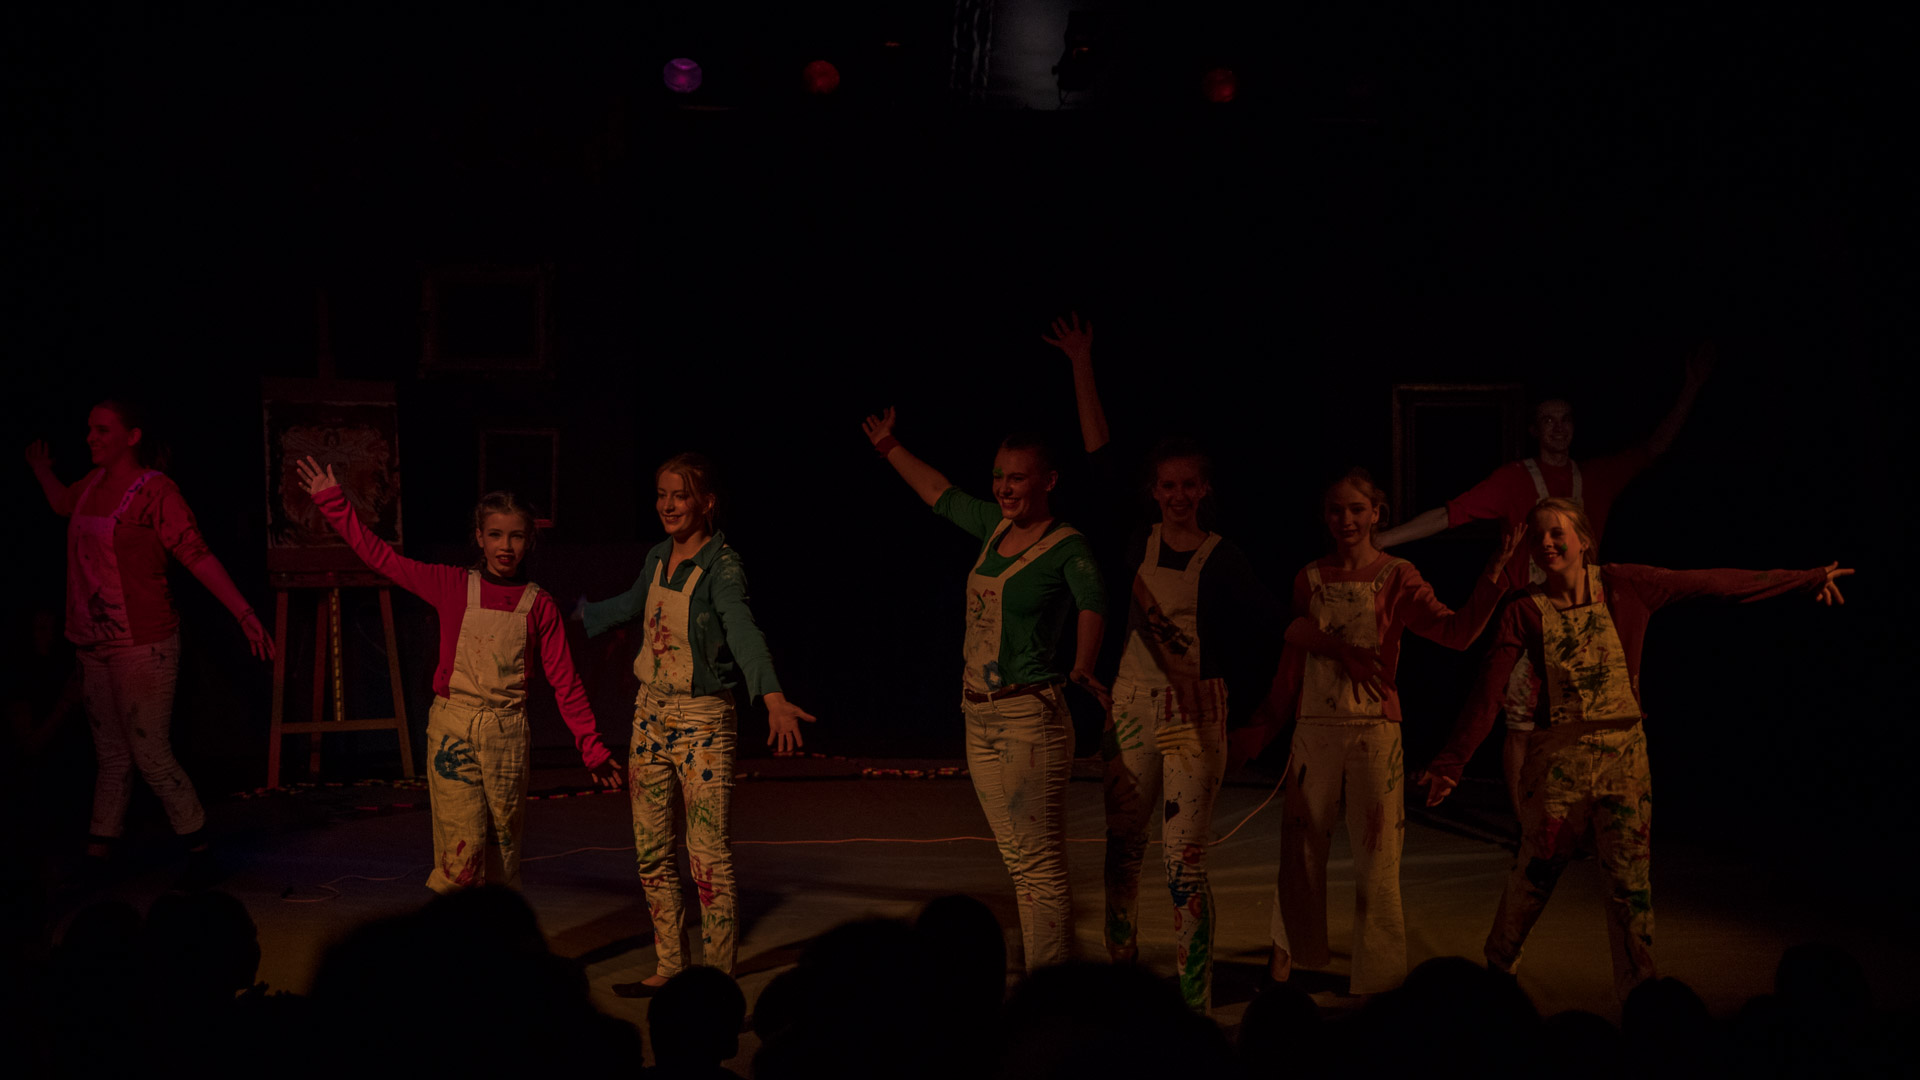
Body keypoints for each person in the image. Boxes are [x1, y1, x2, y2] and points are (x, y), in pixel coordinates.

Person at [1420, 496, 1851, 999]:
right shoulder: (1524, 610)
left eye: (1557, 533)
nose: (1546, 543)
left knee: (1630, 884)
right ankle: (1498, 977)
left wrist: (1804, 579)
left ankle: (1642, 998)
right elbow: (1487, 692)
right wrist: (1451, 763)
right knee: (1534, 873)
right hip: (1558, 761)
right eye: (1537, 537)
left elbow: (1711, 582)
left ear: (1584, 540)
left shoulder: (1624, 585)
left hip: (1624, 758)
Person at [1044, 310, 1275, 1012]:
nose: (1177, 496)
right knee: (1122, 849)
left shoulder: (1225, 559)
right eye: (1167, 486)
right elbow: (1099, 456)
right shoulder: (1133, 538)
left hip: (1195, 715)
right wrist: (1081, 363)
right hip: (1131, 709)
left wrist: (1258, 715)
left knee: (1185, 863)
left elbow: (1268, 632)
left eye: (1188, 486)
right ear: (1154, 491)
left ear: (1204, 490)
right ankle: (1122, 981)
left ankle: (1192, 1000)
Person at [1233, 469, 1523, 995]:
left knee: (1379, 856)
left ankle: (1379, 982)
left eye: (1356, 509)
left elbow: (1455, 633)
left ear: (1376, 514)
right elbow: (1292, 664)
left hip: (1374, 730)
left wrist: (1493, 575)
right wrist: (1261, 728)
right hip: (1315, 728)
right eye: (1336, 510)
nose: (1346, 519)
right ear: (1325, 516)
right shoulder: (1309, 578)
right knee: (1299, 850)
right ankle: (1283, 965)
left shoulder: (1396, 574)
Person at [295, 456, 621, 894]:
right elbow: (382, 558)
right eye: (495, 535)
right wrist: (334, 503)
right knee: (460, 851)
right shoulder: (452, 585)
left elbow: (566, 681)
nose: (506, 546)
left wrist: (591, 747)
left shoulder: (538, 605)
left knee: (502, 851)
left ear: (529, 541)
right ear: (479, 538)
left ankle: (496, 930)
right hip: (455, 728)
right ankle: (451, 934)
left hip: (506, 734)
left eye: (516, 536)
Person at [863, 407, 1107, 971]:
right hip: (979, 716)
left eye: (1017, 478)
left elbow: (1093, 601)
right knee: (1019, 861)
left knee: (1039, 864)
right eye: (998, 476)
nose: (1003, 488)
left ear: (1048, 481)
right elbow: (938, 492)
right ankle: (1046, 977)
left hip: (1028, 720)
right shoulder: (994, 526)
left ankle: (1052, 990)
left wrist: (1084, 664)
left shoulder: (1067, 547)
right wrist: (888, 445)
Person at [576, 452, 815, 994]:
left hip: (702, 721)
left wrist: (773, 697)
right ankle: (670, 966)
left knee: (707, 858)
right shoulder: (658, 557)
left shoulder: (722, 568)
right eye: (662, 495)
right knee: (651, 854)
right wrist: (580, 613)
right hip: (650, 716)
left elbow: (743, 630)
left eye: (679, 495)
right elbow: (632, 604)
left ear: (706, 502)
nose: (668, 505)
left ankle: (716, 982)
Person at [27, 400, 273, 886]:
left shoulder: (155, 491)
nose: (91, 437)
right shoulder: (91, 484)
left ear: (132, 436)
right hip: (93, 643)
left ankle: (200, 850)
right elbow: (62, 505)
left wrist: (243, 613)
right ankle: (98, 853)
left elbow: (196, 555)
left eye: (102, 430)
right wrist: (41, 470)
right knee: (112, 756)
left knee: (150, 754)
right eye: (90, 429)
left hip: (143, 643)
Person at [1374, 345, 1715, 590]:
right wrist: (1383, 539)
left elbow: (1654, 448)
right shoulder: (1513, 479)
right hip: (1528, 612)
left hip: (1584, 612)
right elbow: (1447, 515)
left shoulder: (1597, 476)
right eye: (1548, 420)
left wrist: (1692, 387)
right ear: (1535, 430)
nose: (1558, 428)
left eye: (1565, 419)